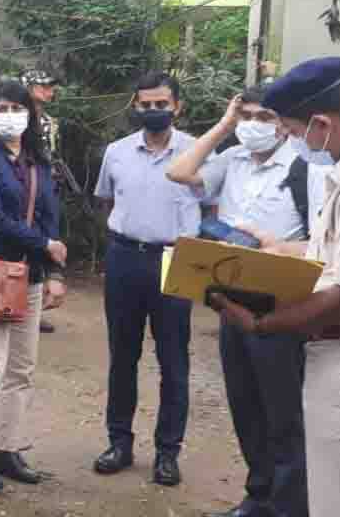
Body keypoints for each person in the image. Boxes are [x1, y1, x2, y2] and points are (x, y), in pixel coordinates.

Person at [214, 57, 340, 517]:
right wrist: (291, 253)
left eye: (296, 131)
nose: (298, 142)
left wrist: (265, 323)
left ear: (321, 123)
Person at [165, 88, 308, 517]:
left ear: (284, 122)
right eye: (245, 115)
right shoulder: (233, 160)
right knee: (245, 405)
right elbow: (179, 171)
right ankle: (259, 495)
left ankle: (288, 506)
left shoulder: (306, 166)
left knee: (284, 414)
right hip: (230, 300)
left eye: (262, 116)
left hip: (281, 303)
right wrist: (225, 125)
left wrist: (278, 248)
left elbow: (325, 240)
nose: (252, 124)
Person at [0, 80, 68, 495]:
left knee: (20, 369)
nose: (9, 115)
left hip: (32, 276)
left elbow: (52, 216)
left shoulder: (38, 161)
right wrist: (44, 245)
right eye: (1, 108)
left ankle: (6, 448)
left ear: (29, 114)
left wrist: (55, 272)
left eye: (17, 108)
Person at [92, 71, 203, 487]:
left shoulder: (196, 152)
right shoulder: (117, 152)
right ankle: (119, 443)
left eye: (162, 105)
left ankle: (167, 453)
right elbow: (107, 201)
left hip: (176, 260)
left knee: (174, 362)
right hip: (125, 258)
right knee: (123, 357)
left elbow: (210, 208)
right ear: (135, 106)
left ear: (177, 107)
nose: (153, 111)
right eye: (146, 104)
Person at [22, 70, 69, 335]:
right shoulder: (15, 118)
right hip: (21, 190)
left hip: (47, 190)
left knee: (45, 246)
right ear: (29, 87)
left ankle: (34, 311)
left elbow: (55, 155)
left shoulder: (52, 124)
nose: (50, 90)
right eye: (44, 85)